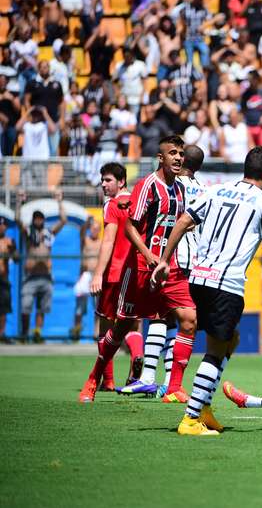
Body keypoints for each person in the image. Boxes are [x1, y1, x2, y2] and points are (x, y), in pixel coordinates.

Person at [151, 145, 262, 436]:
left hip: (198, 277)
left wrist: (164, 260)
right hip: (226, 284)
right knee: (217, 350)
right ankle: (191, 419)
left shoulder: (216, 190)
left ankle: (203, 407)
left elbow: (183, 222)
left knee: (231, 339)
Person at [78, 136, 197, 404]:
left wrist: (168, 256)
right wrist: (149, 255)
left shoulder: (179, 190)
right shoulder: (147, 186)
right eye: (172, 153)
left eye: (181, 154)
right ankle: (94, 378)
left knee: (189, 319)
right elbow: (130, 226)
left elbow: (176, 226)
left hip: (169, 267)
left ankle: (174, 388)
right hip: (142, 268)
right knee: (121, 328)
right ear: (161, 157)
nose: (178, 158)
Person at [119, 145, 207, 399]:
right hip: (193, 259)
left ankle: (149, 376)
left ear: (183, 160)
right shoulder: (201, 189)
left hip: (169, 258)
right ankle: (170, 383)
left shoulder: (173, 186)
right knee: (181, 321)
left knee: (159, 317)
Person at [83, 163, 144, 394]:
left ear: (121, 182)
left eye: (108, 180)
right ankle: (137, 357)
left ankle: (107, 380)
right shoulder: (138, 202)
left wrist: (98, 273)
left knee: (105, 326)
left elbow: (108, 241)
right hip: (136, 272)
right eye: (102, 180)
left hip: (114, 273)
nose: (103, 184)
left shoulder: (112, 204)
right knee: (132, 322)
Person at [16, 190, 66, 342]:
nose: (38, 221)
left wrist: (59, 201)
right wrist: (19, 201)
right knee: (25, 306)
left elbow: (63, 220)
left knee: (42, 308)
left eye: (40, 218)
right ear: (33, 220)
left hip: (46, 276)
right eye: (36, 218)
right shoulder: (28, 233)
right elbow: (17, 219)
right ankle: (24, 334)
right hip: (30, 277)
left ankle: (37, 333)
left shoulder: (48, 232)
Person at [72, 216, 101, 340]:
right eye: (92, 228)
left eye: (96, 229)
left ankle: (96, 332)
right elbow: (81, 233)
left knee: (98, 307)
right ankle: (76, 331)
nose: (94, 231)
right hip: (85, 274)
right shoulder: (85, 240)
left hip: (96, 275)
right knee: (80, 305)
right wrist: (86, 223)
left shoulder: (102, 242)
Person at [0, 218, 17, 343]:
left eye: (3, 225)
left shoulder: (9, 241)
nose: (2, 227)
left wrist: (12, 250)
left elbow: (17, 259)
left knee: (4, 309)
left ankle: (1, 334)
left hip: (3, 279)